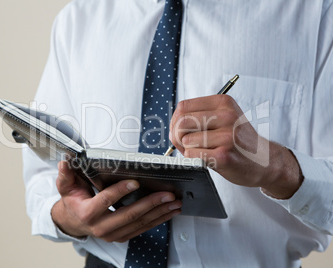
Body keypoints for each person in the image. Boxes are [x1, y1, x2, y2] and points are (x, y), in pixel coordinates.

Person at [22, 0, 333, 267]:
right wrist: (68, 217)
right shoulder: (78, 19)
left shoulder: (316, 15)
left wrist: (276, 166)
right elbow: (43, 174)